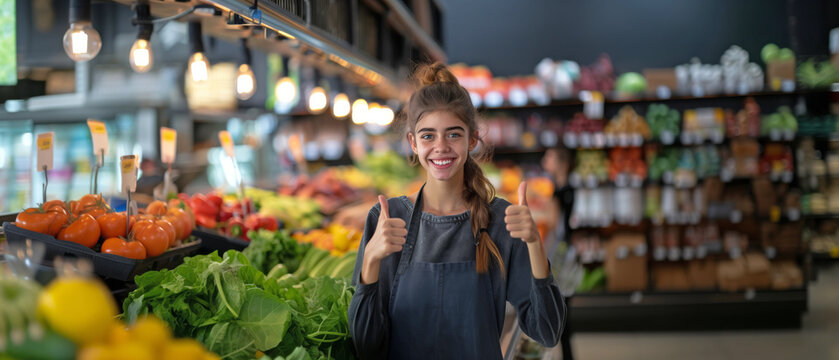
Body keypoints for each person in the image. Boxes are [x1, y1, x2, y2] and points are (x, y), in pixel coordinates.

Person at [348, 63, 566, 359]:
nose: (440, 147)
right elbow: (365, 346)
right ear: (413, 142)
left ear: (472, 139)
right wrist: (371, 262)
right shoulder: (387, 218)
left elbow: (547, 331)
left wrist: (534, 244)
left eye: (453, 134)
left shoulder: (500, 220)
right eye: (427, 136)